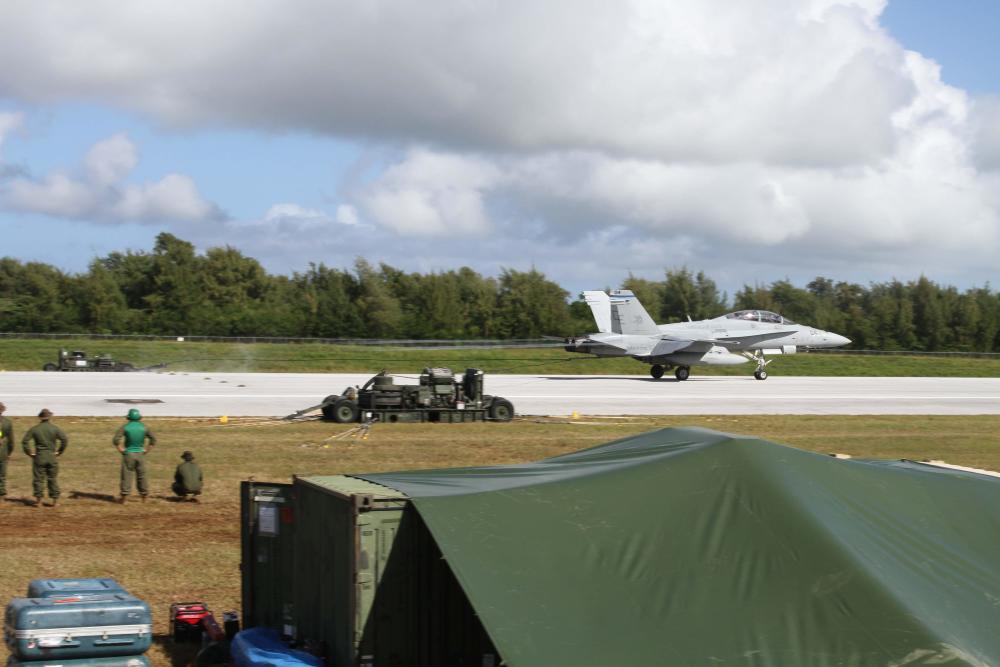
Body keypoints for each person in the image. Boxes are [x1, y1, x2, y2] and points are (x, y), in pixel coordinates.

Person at [21, 409, 68, 507]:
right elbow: (64, 439)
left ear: (40, 417)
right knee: (52, 478)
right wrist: (59, 451)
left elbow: (25, 441)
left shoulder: (34, 429)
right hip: (52, 456)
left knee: (38, 479)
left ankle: (39, 501)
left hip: (39, 457)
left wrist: (29, 453)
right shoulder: (55, 428)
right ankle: (55, 501)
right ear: (49, 417)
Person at [113, 408, 157, 503]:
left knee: (126, 476)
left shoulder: (125, 427)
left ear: (128, 417)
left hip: (128, 454)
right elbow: (153, 440)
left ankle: (124, 498)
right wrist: (146, 450)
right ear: (139, 417)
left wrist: (121, 450)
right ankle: (144, 497)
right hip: (140, 454)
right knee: (142, 476)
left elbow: (116, 440)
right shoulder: (144, 427)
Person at [0, 402, 14, 503]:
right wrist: (9, 452)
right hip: (3, 451)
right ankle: (1, 495)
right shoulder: (7, 423)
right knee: (2, 474)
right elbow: (11, 441)